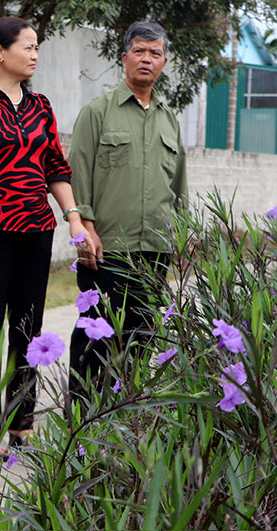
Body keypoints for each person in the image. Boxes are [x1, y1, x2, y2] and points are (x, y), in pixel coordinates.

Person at [0, 16, 94, 456]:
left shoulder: (40, 105)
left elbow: (55, 167)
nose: (34, 55)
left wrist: (73, 217)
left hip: (35, 230)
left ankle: (21, 419)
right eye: (27, 47)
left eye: (36, 48)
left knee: (28, 327)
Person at [67, 21, 187, 391]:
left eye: (155, 53)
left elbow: (179, 184)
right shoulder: (98, 112)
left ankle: (123, 421)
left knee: (141, 337)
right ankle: (83, 425)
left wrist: (181, 238)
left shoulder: (170, 120)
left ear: (164, 62)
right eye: (139, 52)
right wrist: (85, 227)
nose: (146, 60)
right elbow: (78, 173)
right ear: (124, 58)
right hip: (106, 249)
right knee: (94, 337)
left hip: (154, 251)